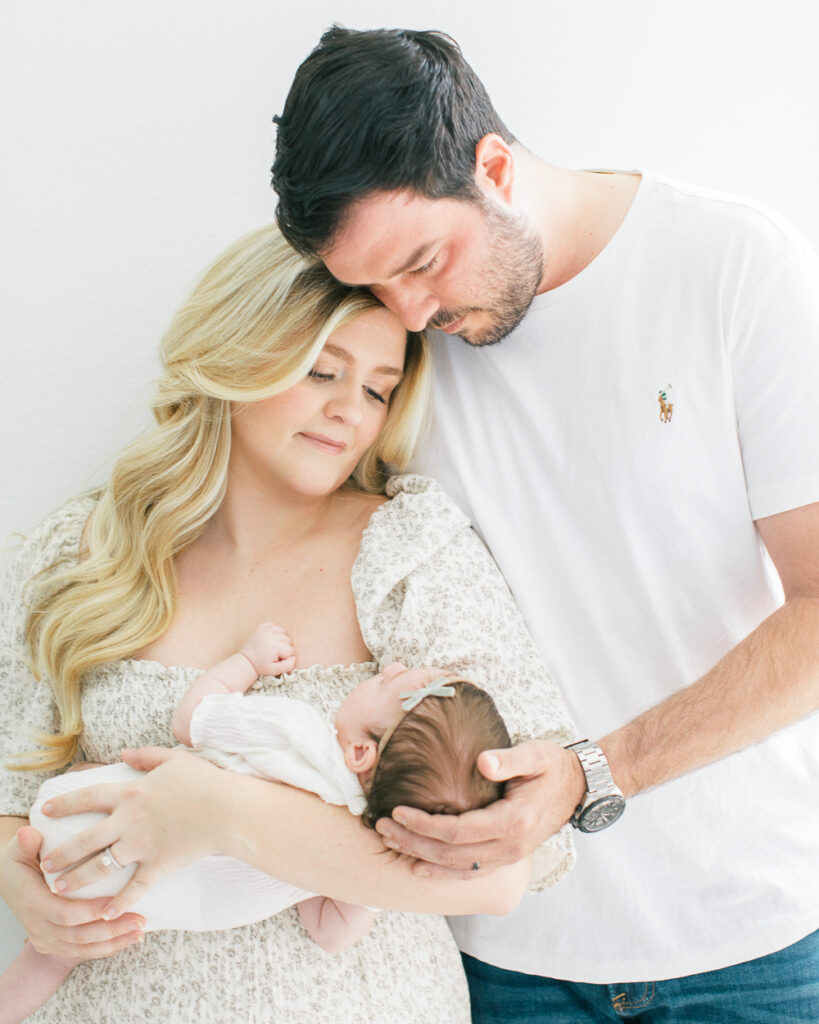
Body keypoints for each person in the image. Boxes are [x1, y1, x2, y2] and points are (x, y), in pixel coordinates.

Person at [268, 26, 819, 1023]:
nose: (413, 310)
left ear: (493, 165)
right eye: (376, 288)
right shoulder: (393, 357)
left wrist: (594, 773)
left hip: (749, 935)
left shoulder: (732, 269)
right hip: (501, 952)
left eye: (425, 261)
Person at [0, 222, 576, 1024]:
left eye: (377, 389)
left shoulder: (406, 551)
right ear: (238, 355)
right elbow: (12, 787)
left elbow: (504, 867)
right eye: (321, 371)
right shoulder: (84, 551)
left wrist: (228, 818)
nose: (350, 412)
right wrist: (21, 886)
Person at [2, 617, 513, 1023]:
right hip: (152, 905)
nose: (394, 666)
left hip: (76, 829)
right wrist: (376, 890)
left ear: (359, 750)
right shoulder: (355, 844)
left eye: (399, 685)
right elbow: (329, 932)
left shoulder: (299, 733)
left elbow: (192, 718)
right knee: (55, 957)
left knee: (98, 799)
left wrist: (247, 662)